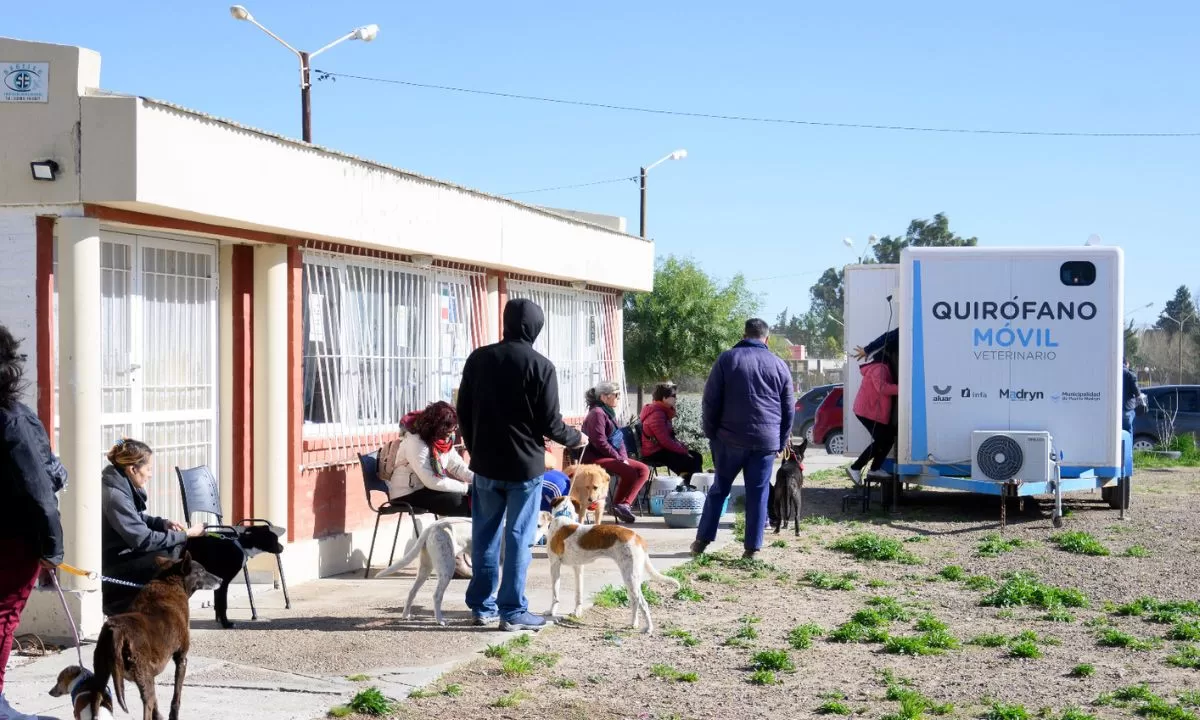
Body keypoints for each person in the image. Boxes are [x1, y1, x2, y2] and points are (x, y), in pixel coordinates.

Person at [456, 298, 586, 632]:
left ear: (506, 322)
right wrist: (577, 439)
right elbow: (551, 424)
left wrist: (474, 450)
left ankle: (481, 607)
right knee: (518, 537)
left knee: (484, 536)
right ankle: (512, 611)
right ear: (536, 327)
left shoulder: (478, 359)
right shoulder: (541, 366)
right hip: (524, 469)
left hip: (485, 465)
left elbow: (463, 412)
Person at [101, 439, 247, 628]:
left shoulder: (119, 485)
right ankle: (143, 609)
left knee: (177, 547)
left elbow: (136, 519)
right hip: (111, 566)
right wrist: (187, 534)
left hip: (120, 555)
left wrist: (161, 523)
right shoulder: (115, 496)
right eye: (149, 469)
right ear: (132, 469)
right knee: (172, 554)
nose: (151, 474)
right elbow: (143, 540)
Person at [1, 325, 66, 720]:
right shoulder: (13, 421)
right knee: (4, 616)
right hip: (12, 540)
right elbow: (42, 493)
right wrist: (52, 549)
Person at [692, 319, 794, 560]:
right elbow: (789, 408)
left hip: (729, 439)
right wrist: (780, 441)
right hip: (765, 442)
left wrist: (712, 433)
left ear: (744, 334)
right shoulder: (780, 365)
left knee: (719, 490)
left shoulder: (727, 359)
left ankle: (702, 542)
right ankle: (752, 549)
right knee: (758, 494)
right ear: (766, 338)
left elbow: (710, 401)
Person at [380, 401, 473, 517]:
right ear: (438, 428)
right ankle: (451, 534)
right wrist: (467, 488)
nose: (453, 433)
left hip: (426, 488)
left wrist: (477, 481)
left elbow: (457, 466)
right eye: (450, 430)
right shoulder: (415, 441)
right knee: (459, 502)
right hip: (406, 493)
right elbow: (432, 481)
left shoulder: (443, 440)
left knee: (471, 500)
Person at [581, 381, 650, 523]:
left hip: (610, 455)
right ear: (604, 397)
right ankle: (617, 504)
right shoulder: (597, 413)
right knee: (629, 471)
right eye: (616, 395)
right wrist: (618, 458)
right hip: (595, 457)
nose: (619, 398)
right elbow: (599, 442)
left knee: (643, 469)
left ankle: (623, 505)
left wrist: (623, 457)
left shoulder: (609, 413)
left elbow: (619, 439)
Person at [848, 348, 900, 484]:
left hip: (870, 411)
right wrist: (903, 388)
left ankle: (874, 468)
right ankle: (856, 467)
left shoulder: (879, 367)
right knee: (883, 440)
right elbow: (882, 388)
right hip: (868, 412)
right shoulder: (880, 368)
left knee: (887, 438)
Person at [639, 382, 703, 483]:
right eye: (673, 396)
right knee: (691, 461)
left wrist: (682, 447)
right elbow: (665, 441)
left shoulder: (663, 411)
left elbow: (669, 438)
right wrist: (683, 451)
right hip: (654, 452)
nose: (676, 398)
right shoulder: (657, 414)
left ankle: (690, 484)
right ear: (664, 398)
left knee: (696, 456)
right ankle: (692, 487)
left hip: (661, 449)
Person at [1122, 357, 1141, 434]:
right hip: (1127, 407)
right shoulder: (1130, 374)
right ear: (1127, 364)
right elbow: (1137, 393)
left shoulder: (1111, 371)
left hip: (1115, 408)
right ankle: (1128, 446)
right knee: (1128, 431)